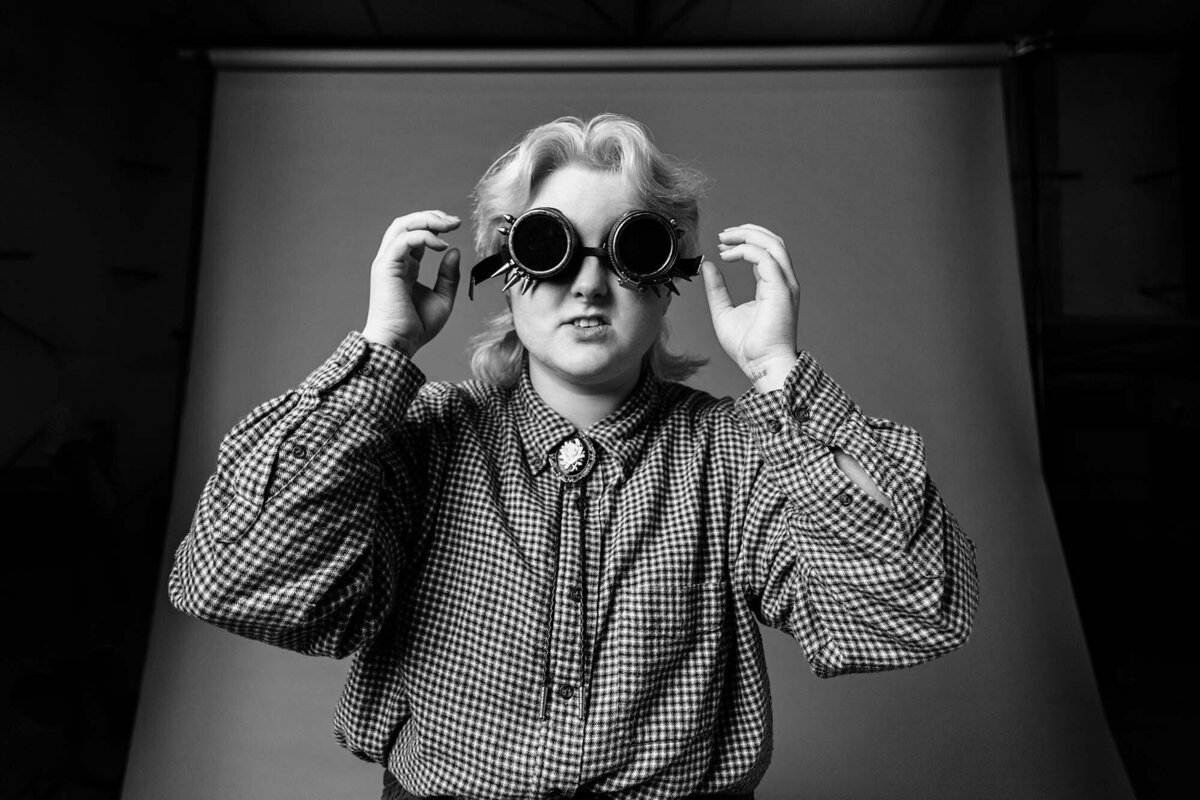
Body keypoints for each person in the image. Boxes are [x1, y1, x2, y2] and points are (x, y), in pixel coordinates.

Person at [169, 113, 978, 800]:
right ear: (503, 270)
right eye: (549, 245)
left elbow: (905, 609)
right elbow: (236, 577)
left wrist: (779, 377)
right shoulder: (424, 437)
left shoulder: (734, 451)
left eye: (633, 249)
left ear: (671, 279)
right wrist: (382, 351)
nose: (589, 285)